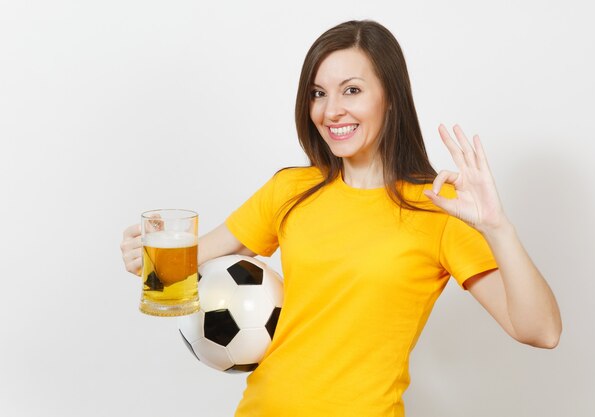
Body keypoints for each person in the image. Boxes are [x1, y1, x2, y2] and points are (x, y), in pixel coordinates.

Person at [120, 20, 561, 417]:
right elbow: (181, 266)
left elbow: (540, 331)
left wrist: (497, 227)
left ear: (391, 98)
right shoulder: (291, 190)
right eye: (318, 93)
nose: (331, 110)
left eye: (351, 90)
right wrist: (147, 259)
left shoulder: (436, 206)